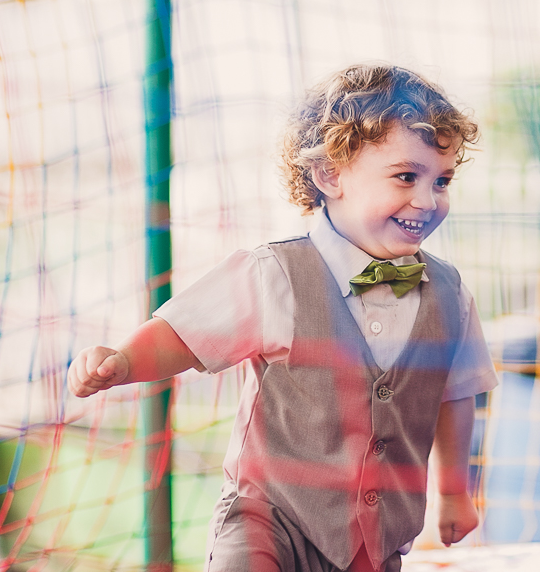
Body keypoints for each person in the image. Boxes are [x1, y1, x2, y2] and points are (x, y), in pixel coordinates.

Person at [68, 64, 499, 572]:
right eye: (407, 176)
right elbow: (183, 335)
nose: (427, 200)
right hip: (267, 519)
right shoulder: (274, 275)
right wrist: (121, 360)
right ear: (330, 175)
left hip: (375, 537)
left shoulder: (450, 296)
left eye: (442, 180)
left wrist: (453, 493)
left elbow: (455, 395)